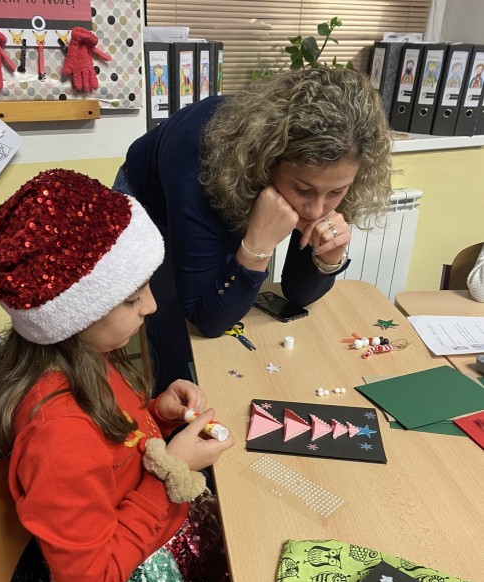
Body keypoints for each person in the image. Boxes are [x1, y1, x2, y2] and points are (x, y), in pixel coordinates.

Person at [0, 169, 247, 582]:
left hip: (153, 545)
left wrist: (159, 418)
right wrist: (173, 475)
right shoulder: (57, 434)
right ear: (74, 313)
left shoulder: (86, 362)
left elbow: (114, 451)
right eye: (132, 298)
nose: (152, 307)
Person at [113, 66, 393, 392]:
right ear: (266, 163)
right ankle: (166, 413)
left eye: (336, 192)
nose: (317, 210)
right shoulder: (198, 166)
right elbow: (206, 321)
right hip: (155, 201)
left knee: (228, 297)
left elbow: (298, 294)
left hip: (221, 184)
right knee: (176, 334)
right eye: (303, 189)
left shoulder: (331, 166)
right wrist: (257, 247)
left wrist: (328, 258)